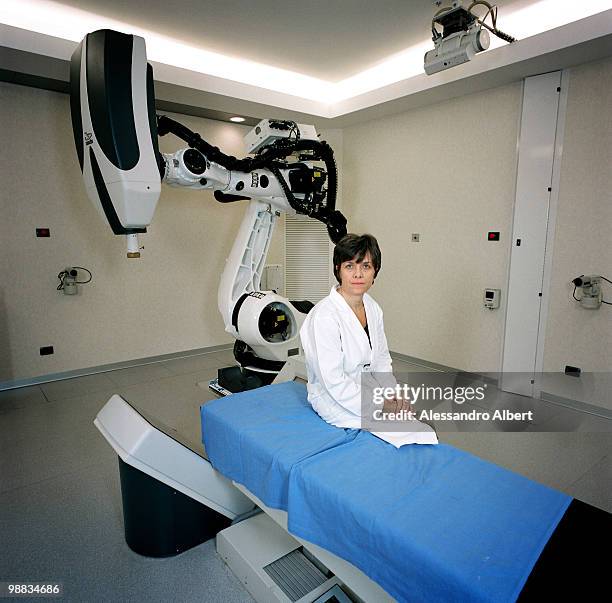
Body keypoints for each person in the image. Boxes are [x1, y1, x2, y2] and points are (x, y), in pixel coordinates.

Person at [300, 233, 438, 446]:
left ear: (375, 272)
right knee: (418, 433)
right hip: (335, 400)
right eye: (349, 266)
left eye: (366, 266)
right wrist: (383, 406)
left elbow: (381, 361)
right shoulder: (324, 316)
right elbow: (334, 382)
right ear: (338, 269)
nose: (358, 274)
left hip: (368, 390)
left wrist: (393, 395)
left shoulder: (373, 308)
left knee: (422, 425)